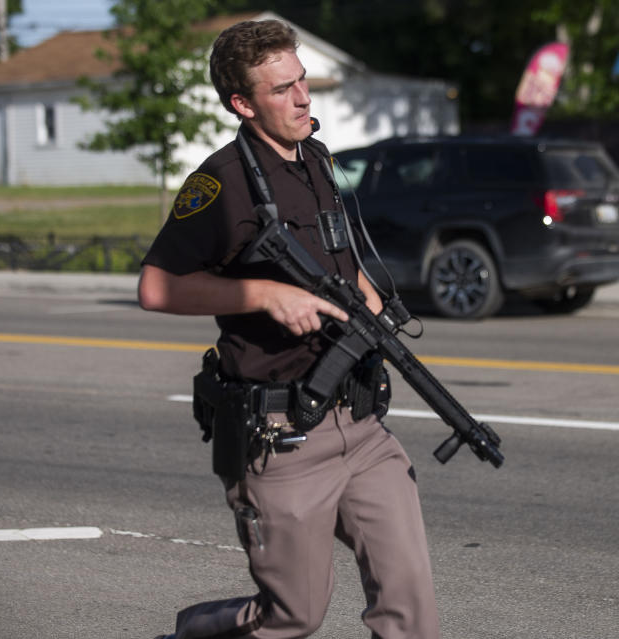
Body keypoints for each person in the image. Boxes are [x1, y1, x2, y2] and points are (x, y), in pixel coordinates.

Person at [138, 18, 440, 639]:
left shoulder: (318, 161)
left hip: (359, 423)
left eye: (302, 81)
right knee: (292, 616)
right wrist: (265, 294)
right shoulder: (220, 183)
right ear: (243, 104)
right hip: (282, 438)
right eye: (282, 90)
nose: (303, 98)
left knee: (410, 606)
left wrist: (370, 304)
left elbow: (341, 259)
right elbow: (156, 286)